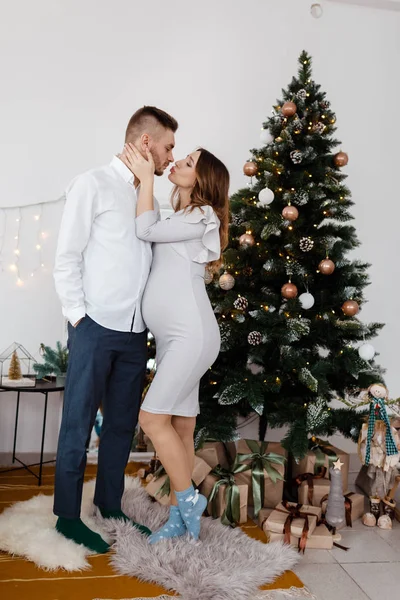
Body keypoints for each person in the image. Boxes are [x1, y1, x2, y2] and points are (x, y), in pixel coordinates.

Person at [53, 106, 178, 553]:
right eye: (167, 147)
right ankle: (67, 517)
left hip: (134, 333)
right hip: (94, 326)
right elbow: (67, 255)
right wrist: (77, 317)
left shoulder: (150, 198)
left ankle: (109, 505)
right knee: (78, 424)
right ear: (146, 143)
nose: (169, 157)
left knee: (122, 426)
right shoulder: (92, 184)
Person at [118, 142, 229, 543]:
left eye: (189, 162)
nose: (178, 162)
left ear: (203, 179)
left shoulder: (202, 215)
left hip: (190, 336)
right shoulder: (184, 215)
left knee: (151, 419)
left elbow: (144, 228)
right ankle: (182, 519)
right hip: (176, 339)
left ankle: (188, 501)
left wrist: (147, 176)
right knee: (181, 426)